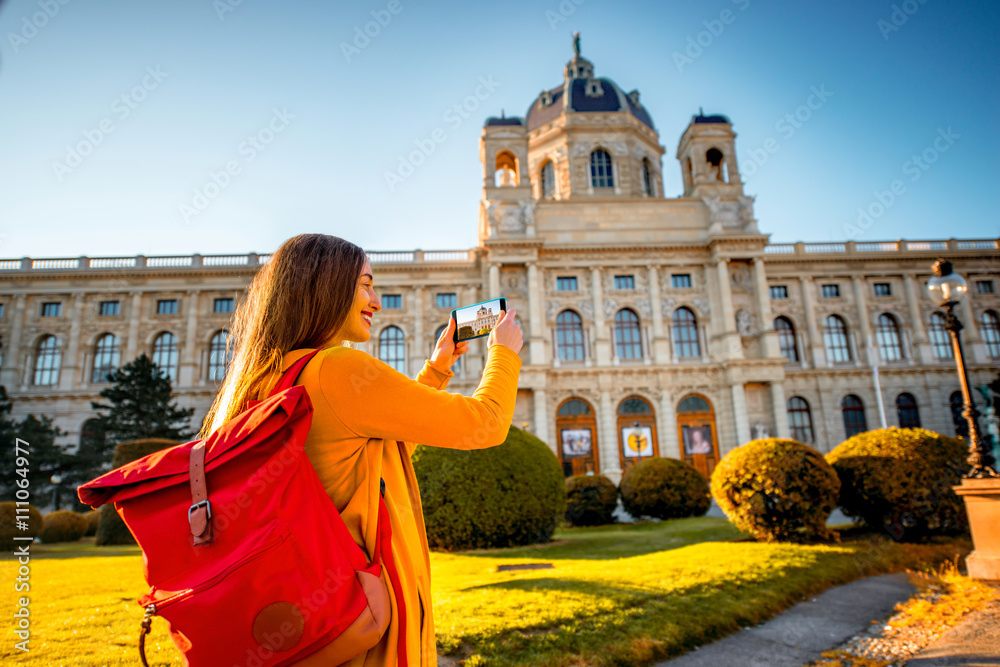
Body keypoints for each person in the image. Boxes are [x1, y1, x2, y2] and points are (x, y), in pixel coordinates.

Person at [198, 234, 523, 666]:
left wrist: (437, 368)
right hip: (362, 620)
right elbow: (486, 424)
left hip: (310, 613)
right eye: (366, 285)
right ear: (327, 288)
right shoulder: (338, 368)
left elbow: (377, 450)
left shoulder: (267, 379)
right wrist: (504, 352)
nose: (377, 301)